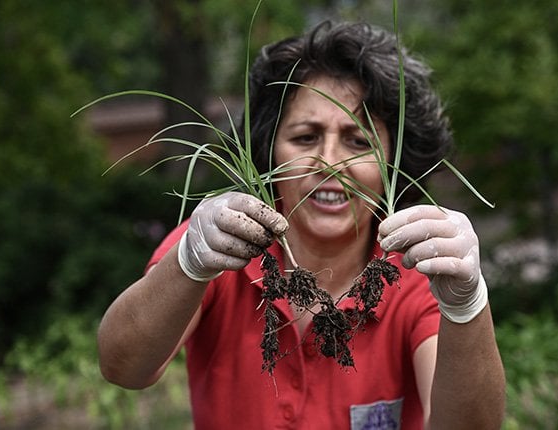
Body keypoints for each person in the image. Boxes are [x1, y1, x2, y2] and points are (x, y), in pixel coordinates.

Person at [98, 20, 505, 429]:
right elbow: (124, 367)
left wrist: (465, 305)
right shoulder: (219, 245)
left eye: (358, 141)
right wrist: (187, 262)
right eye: (306, 137)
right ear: (269, 150)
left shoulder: (415, 273)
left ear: (394, 162)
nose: (329, 163)